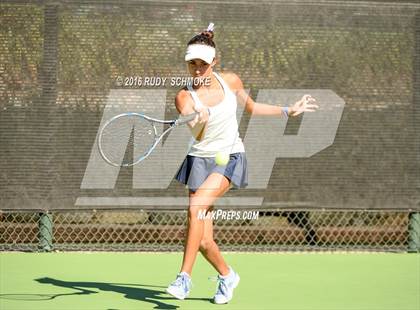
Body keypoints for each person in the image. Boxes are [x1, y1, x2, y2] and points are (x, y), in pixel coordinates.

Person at [166, 23, 319, 304]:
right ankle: (227, 276)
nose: (197, 69)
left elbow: (252, 107)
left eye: (203, 63)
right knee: (201, 240)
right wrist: (199, 116)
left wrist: (288, 110)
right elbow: (197, 132)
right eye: (192, 64)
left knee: (196, 206)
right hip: (199, 161)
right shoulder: (184, 96)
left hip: (229, 157)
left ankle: (184, 278)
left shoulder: (231, 81)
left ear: (214, 62)